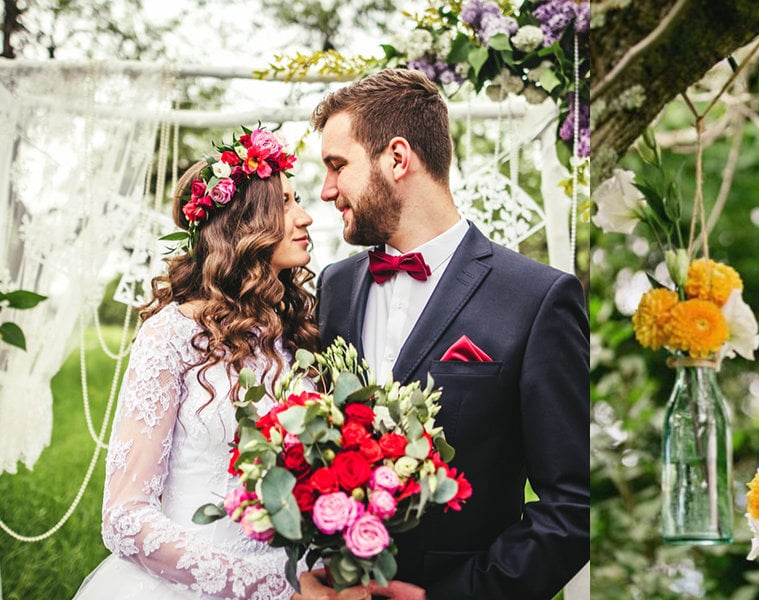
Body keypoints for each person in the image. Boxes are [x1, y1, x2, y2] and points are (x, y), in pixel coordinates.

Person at [301, 68, 589, 600]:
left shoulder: (537, 297)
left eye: (338, 166)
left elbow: (573, 508)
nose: (326, 191)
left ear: (397, 158)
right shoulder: (335, 287)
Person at [73, 129, 316, 599]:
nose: (304, 217)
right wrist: (269, 586)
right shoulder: (172, 335)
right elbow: (124, 517)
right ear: (245, 224)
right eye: (284, 203)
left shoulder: (295, 333)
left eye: (298, 199)